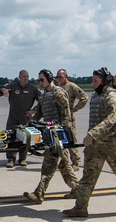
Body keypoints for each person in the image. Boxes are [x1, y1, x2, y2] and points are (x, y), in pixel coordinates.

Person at [63, 68, 116, 218]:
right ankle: (81, 207)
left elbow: (111, 119)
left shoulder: (112, 96)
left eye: (95, 81)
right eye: (92, 80)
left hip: (113, 144)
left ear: (105, 81)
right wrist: (93, 137)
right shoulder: (96, 96)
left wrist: (92, 134)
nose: (92, 83)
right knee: (88, 176)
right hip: (96, 144)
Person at [24, 69, 78, 203]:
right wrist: (28, 127)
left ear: (49, 78)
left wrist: (64, 136)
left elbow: (66, 116)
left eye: (42, 79)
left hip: (57, 136)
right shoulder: (44, 96)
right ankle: (78, 189)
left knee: (48, 166)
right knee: (64, 167)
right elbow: (38, 115)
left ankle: (39, 193)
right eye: (39, 80)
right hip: (50, 135)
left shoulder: (58, 93)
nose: (40, 82)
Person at [0, 69, 41, 168]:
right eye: (24, 76)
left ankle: (22, 158)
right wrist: (3, 90)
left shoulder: (33, 89)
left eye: (27, 76)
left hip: (25, 117)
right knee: (11, 137)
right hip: (13, 116)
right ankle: (11, 159)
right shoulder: (13, 86)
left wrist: (34, 110)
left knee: (24, 138)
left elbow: (42, 101)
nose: (26, 78)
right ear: (19, 77)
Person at [55, 69, 88, 171]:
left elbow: (84, 97)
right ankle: (63, 162)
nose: (58, 79)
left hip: (68, 118)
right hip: (58, 118)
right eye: (57, 77)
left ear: (66, 77)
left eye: (60, 77)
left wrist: (74, 109)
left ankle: (75, 162)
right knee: (59, 140)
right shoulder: (56, 88)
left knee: (71, 139)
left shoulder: (71, 86)